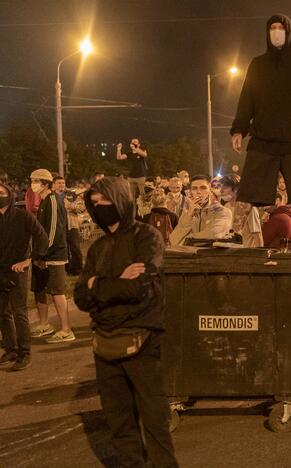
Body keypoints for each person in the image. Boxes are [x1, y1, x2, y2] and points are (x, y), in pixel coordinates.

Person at [73, 177, 178, 467]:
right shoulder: (98, 247)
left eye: (104, 201)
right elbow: (80, 296)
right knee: (119, 424)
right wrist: (114, 281)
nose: (98, 207)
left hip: (142, 339)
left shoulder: (146, 237)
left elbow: (140, 288)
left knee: (155, 422)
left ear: (119, 200)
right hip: (104, 345)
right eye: (93, 203)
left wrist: (98, 285)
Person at [231, 14, 291, 240]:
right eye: (272, 27)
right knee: (247, 190)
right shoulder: (257, 64)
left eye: (281, 27)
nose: (276, 31)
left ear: (289, 32)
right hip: (263, 139)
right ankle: (234, 234)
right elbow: (247, 98)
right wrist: (238, 129)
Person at [0, 181, 47, 371]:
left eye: (1, 192)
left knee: (19, 311)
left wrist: (29, 260)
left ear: (9, 195)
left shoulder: (22, 216)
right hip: (0, 270)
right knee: (2, 312)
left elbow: (41, 236)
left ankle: (24, 353)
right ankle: (10, 349)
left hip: (18, 269)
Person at [28, 169, 75, 343]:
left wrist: (43, 254)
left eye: (35, 181)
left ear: (45, 183)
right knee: (39, 288)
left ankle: (66, 329)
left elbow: (54, 231)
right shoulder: (43, 201)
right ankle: (44, 324)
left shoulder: (53, 201)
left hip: (53, 254)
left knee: (57, 291)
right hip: (42, 254)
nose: (33, 184)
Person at [169, 176, 233, 247]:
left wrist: (188, 239)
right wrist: (189, 214)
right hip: (190, 256)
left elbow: (215, 233)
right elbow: (173, 240)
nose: (198, 192)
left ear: (209, 190)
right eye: (194, 188)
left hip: (211, 256)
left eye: (203, 188)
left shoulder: (222, 211)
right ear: (191, 192)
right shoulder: (188, 213)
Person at [219, 174, 263, 247]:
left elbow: (258, 236)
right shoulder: (226, 207)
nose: (221, 191)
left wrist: (260, 256)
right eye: (221, 187)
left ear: (236, 189)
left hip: (245, 255)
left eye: (225, 187)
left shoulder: (249, 209)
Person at [64, 190, 85, 275]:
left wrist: (73, 207)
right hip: (60, 227)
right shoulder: (53, 196)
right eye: (58, 183)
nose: (61, 185)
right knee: (64, 250)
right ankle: (67, 269)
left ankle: (78, 270)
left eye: (62, 183)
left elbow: (82, 208)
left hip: (72, 226)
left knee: (75, 248)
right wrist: (69, 206)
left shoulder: (72, 195)